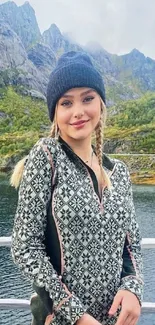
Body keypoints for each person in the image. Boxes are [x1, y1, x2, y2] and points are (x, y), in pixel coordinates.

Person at [11, 51, 144, 325]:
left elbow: (132, 245)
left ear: (101, 103)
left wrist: (132, 288)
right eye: (66, 102)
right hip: (62, 319)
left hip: (114, 319)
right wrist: (75, 314)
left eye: (88, 98)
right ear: (55, 112)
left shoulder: (118, 172)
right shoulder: (47, 156)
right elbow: (26, 247)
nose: (78, 112)